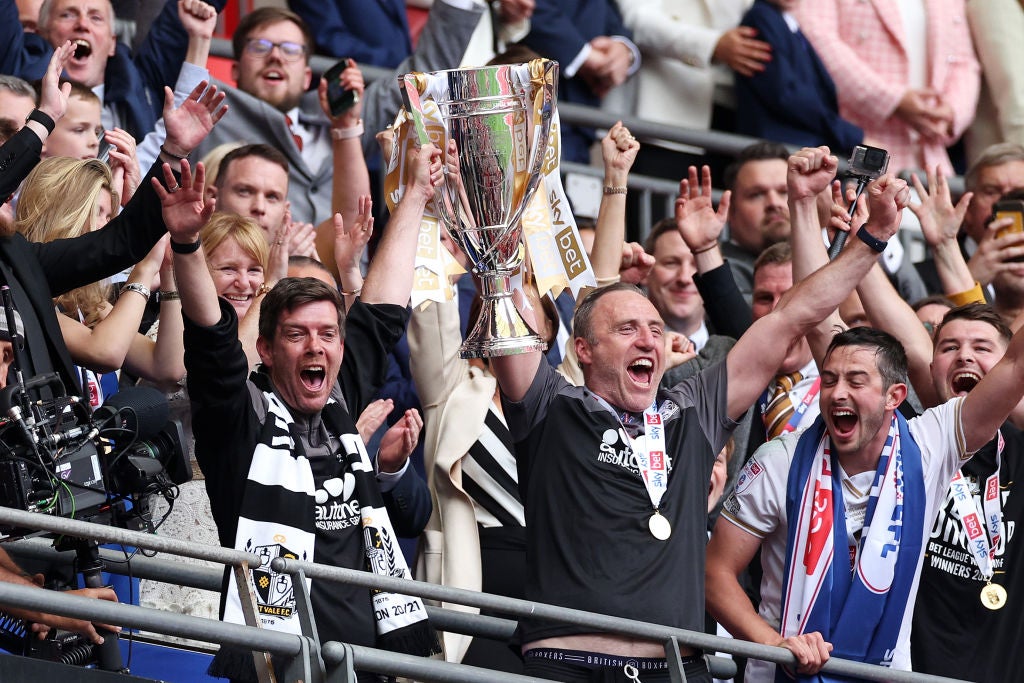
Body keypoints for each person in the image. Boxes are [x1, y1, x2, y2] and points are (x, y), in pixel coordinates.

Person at [489, 155, 912, 681]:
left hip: (675, 667)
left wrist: (870, 240)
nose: (648, 340)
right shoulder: (551, 406)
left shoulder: (691, 411)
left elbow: (791, 316)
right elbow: (506, 315)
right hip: (567, 662)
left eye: (655, 329)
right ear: (583, 350)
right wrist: (495, 214)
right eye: (626, 330)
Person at [170, 143, 442, 682]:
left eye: (327, 334)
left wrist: (416, 194)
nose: (316, 346)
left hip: (366, 666)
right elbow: (211, 339)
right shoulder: (240, 417)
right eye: (296, 335)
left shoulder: (339, 400)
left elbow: (383, 309)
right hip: (276, 667)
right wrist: (186, 243)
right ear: (267, 350)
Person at [706, 319, 1024, 678]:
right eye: (829, 381)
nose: (838, 393)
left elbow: (1015, 365)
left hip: (883, 673)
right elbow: (715, 572)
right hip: (783, 673)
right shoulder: (779, 461)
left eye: (856, 381)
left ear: (895, 396)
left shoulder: (930, 446)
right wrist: (774, 644)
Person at [0, 41, 226, 396]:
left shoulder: (20, 260)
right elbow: (105, 352)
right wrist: (44, 118)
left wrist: (173, 152)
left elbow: (119, 241)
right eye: (98, 213)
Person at [192, 3, 485, 225]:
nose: (276, 56)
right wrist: (197, 35)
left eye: (291, 50)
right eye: (260, 47)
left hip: (347, 283)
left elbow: (418, 79)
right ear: (235, 69)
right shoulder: (208, 116)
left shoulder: (340, 114)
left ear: (307, 75)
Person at [796, 0, 979, 176]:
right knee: (860, 197)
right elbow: (818, 39)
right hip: (856, 145)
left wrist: (951, 112)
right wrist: (893, 100)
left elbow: (964, 61)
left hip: (931, 156)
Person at [0, 0, 225, 142]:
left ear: (112, 43)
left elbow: (174, 32)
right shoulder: (16, 76)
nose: (82, 24)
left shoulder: (141, 88)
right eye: (67, 14)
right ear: (42, 33)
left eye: (96, 17)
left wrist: (198, 14)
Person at [734, 0, 862, 155]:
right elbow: (786, 95)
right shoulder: (762, 17)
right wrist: (851, 136)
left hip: (800, 145)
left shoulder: (785, 19)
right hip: (781, 149)